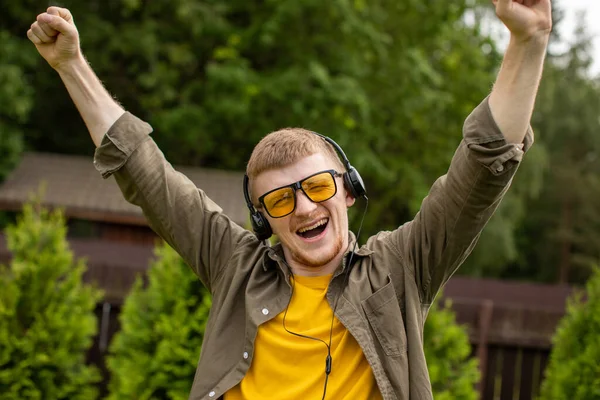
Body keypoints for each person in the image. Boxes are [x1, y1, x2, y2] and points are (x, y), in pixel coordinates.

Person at [27, 1, 552, 399]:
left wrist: (527, 43)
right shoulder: (235, 265)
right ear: (262, 219)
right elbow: (143, 169)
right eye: (279, 201)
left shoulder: (401, 267)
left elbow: (483, 167)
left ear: (348, 190)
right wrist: (71, 64)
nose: (302, 208)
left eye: (317, 187)